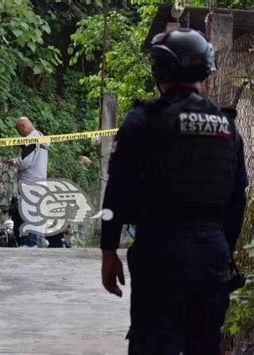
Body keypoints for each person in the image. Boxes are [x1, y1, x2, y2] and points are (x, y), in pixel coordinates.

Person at [100, 28, 248, 354]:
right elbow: (238, 198)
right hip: (213, 252)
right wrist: (224, 250)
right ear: (206, 70)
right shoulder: (227, 126)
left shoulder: (143, 120)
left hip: (161, 249)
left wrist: (108, 250)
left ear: (159, 70)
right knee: (204, 345)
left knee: (152, 344)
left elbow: (118, 191)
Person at [5, 116, 49, 247]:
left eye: (19, 131)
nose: (20, 134)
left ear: (23, 127)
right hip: (40, 180)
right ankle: (33, 242)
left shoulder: (31, 139)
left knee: (28, 212)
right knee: (34, 213)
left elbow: (25, 162)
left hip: (30, 180)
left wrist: (13, 161)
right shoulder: (42, 138)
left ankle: (29, 242)